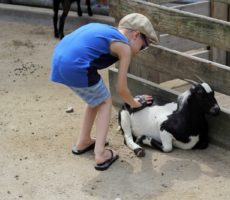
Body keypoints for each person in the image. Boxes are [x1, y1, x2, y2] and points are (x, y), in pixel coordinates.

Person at [50, 13, 158, 171]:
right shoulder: (124, 47)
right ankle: (100, 154)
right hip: (75, 65)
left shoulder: (108, 31)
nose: (140, 51)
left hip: (59, 59)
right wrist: (135, 103)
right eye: (143, 46)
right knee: (105, 101)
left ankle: (83, 141)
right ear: (135, 35)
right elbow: (121, 89)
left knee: (96, 99)